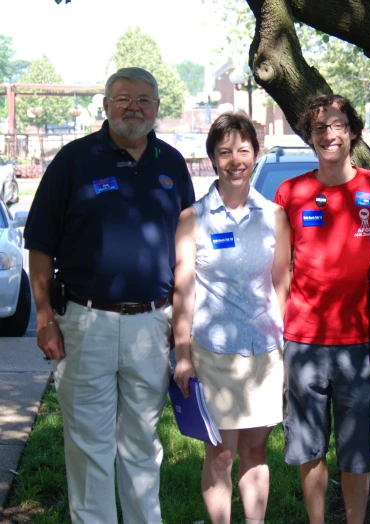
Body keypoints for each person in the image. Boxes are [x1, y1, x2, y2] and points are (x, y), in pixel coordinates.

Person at [24, 67, 195, 523]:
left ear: (158, 109)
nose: (133, 107)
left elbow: (186, 254)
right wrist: (44, 319)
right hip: (85, 324)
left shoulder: (172, 164)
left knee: (143, 447)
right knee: (89, 448)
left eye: (143, 99)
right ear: (105, 104)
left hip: (152, 325)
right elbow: (39, 244)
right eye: (122, 99)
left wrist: (182, 335)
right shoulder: (74, 161)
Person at [273, 94, 370, 524]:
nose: (330, 134)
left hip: (360, 342)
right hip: (303, 339)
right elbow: (280, 268)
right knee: (309, 446)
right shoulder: (291, 192)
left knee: (357, 449)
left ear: (354, 132)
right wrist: (282, 330)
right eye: (321, 127)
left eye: (339, 125)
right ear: (309, 136)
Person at [172, 111, 290, 524]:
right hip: (213, 351)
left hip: (265, 351)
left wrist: (287, 345)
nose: (235, 159)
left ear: (256, 154)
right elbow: (183, 289)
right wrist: (182, 354)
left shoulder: (275, 216)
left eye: (243, 149)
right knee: (220, 454)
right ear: (213, 159)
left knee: (256, 452)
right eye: (225, 152)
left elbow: (281, 285)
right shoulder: (193, 219)